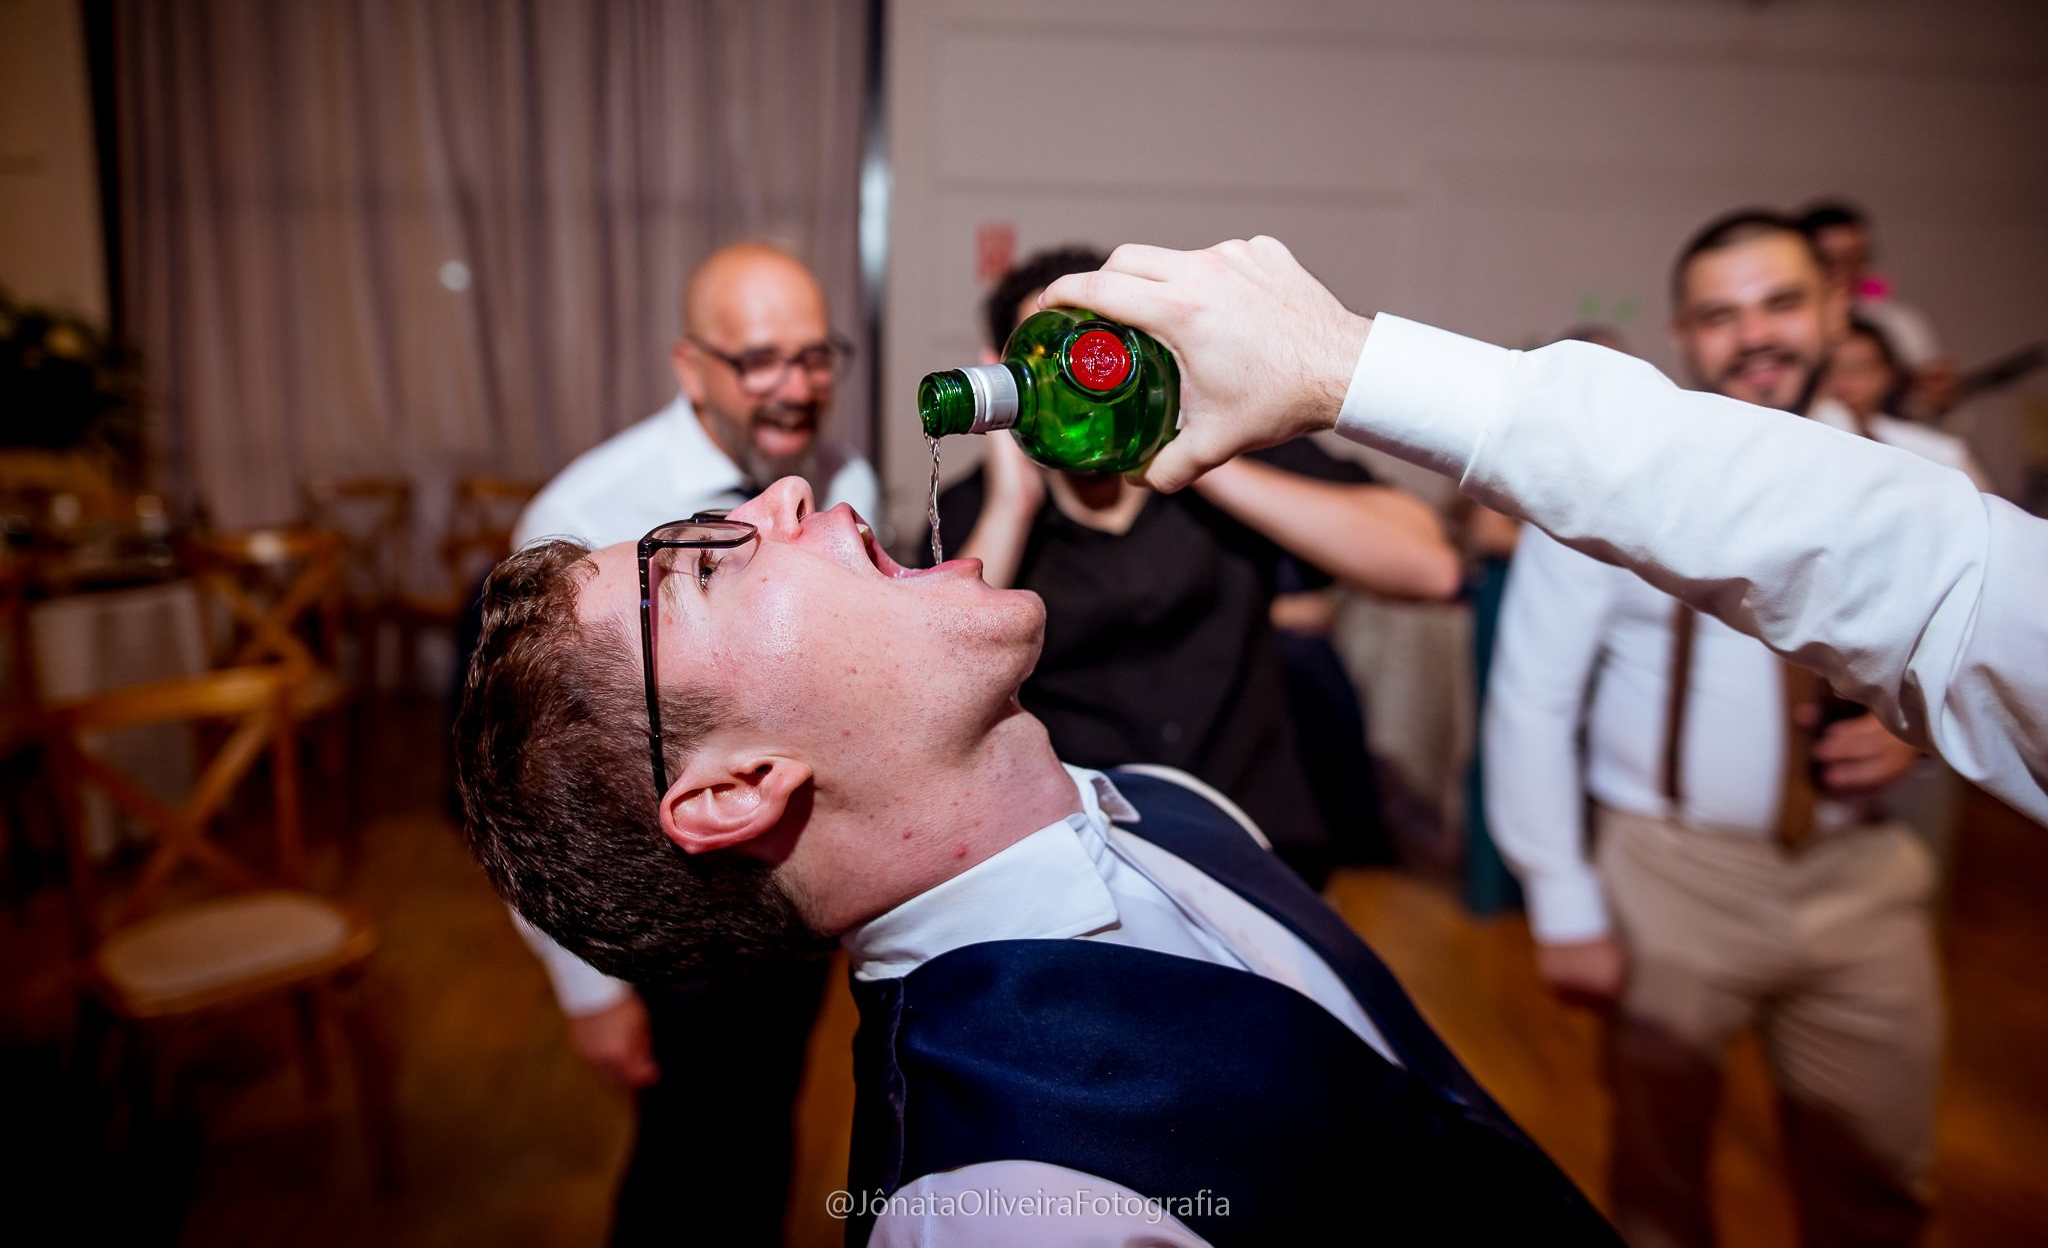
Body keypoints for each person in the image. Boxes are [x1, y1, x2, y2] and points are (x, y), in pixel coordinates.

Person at [454, 479, 1623, 1246]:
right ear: (738, 790)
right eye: (705, 568)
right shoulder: (997, 1205)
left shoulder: (1170, 804)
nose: (787, 492)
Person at [1034, 236, 2047, 820]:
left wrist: (1333, 368)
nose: (1754, 339)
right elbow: (1936, 587)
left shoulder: (1923, 467)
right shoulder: (1005, 507)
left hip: (1864, 847)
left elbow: (1933, 591)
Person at [1485, 212, 1943, 1246]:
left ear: (1833, 307)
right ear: (1682, 336)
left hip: (1863, 873)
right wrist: (1560, 899)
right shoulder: (1614, 474)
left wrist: (1917, 735)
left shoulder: (1926, 475)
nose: (1754, 335)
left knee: (1879, 1180)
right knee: (1657, 1182)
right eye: (1719, 315)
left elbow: (1982, 654)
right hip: (1669, 876)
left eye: (1780, 302)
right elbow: (1532, 694)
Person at [510, 241, 875, 1247]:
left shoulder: (845, 474)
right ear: (690, 367)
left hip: (797, 897)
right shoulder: (585, 520)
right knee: (685, 1166)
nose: (795, 388)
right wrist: (588, 992)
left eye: (814, 356)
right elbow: (525, 790)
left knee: (760, 1141)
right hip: (672, 912)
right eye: (759, 359)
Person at [929, 247, 1457, 877]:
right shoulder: (977, 512)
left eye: (1099, 347)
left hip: (1261, 844)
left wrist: (1194, 454)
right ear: (1004, 373)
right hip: (1088, 862)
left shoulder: (1227, 454)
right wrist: (1012, 509)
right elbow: (931, 686)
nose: (1083, 377)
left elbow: (1431, 568)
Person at [1797, 200, 1958, 420]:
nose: (1847, 271)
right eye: (1832, 261)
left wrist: (1933, 393)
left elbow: (1930, 404)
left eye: (1857, 259)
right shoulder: (1784, 328)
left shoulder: (1898, 324)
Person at [1822, 317, 1991, 489]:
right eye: (1829, 369)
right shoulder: (1809, 444)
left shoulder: (1939, 453)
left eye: (1860, 368)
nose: (1844, 381)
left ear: (1888, 375)